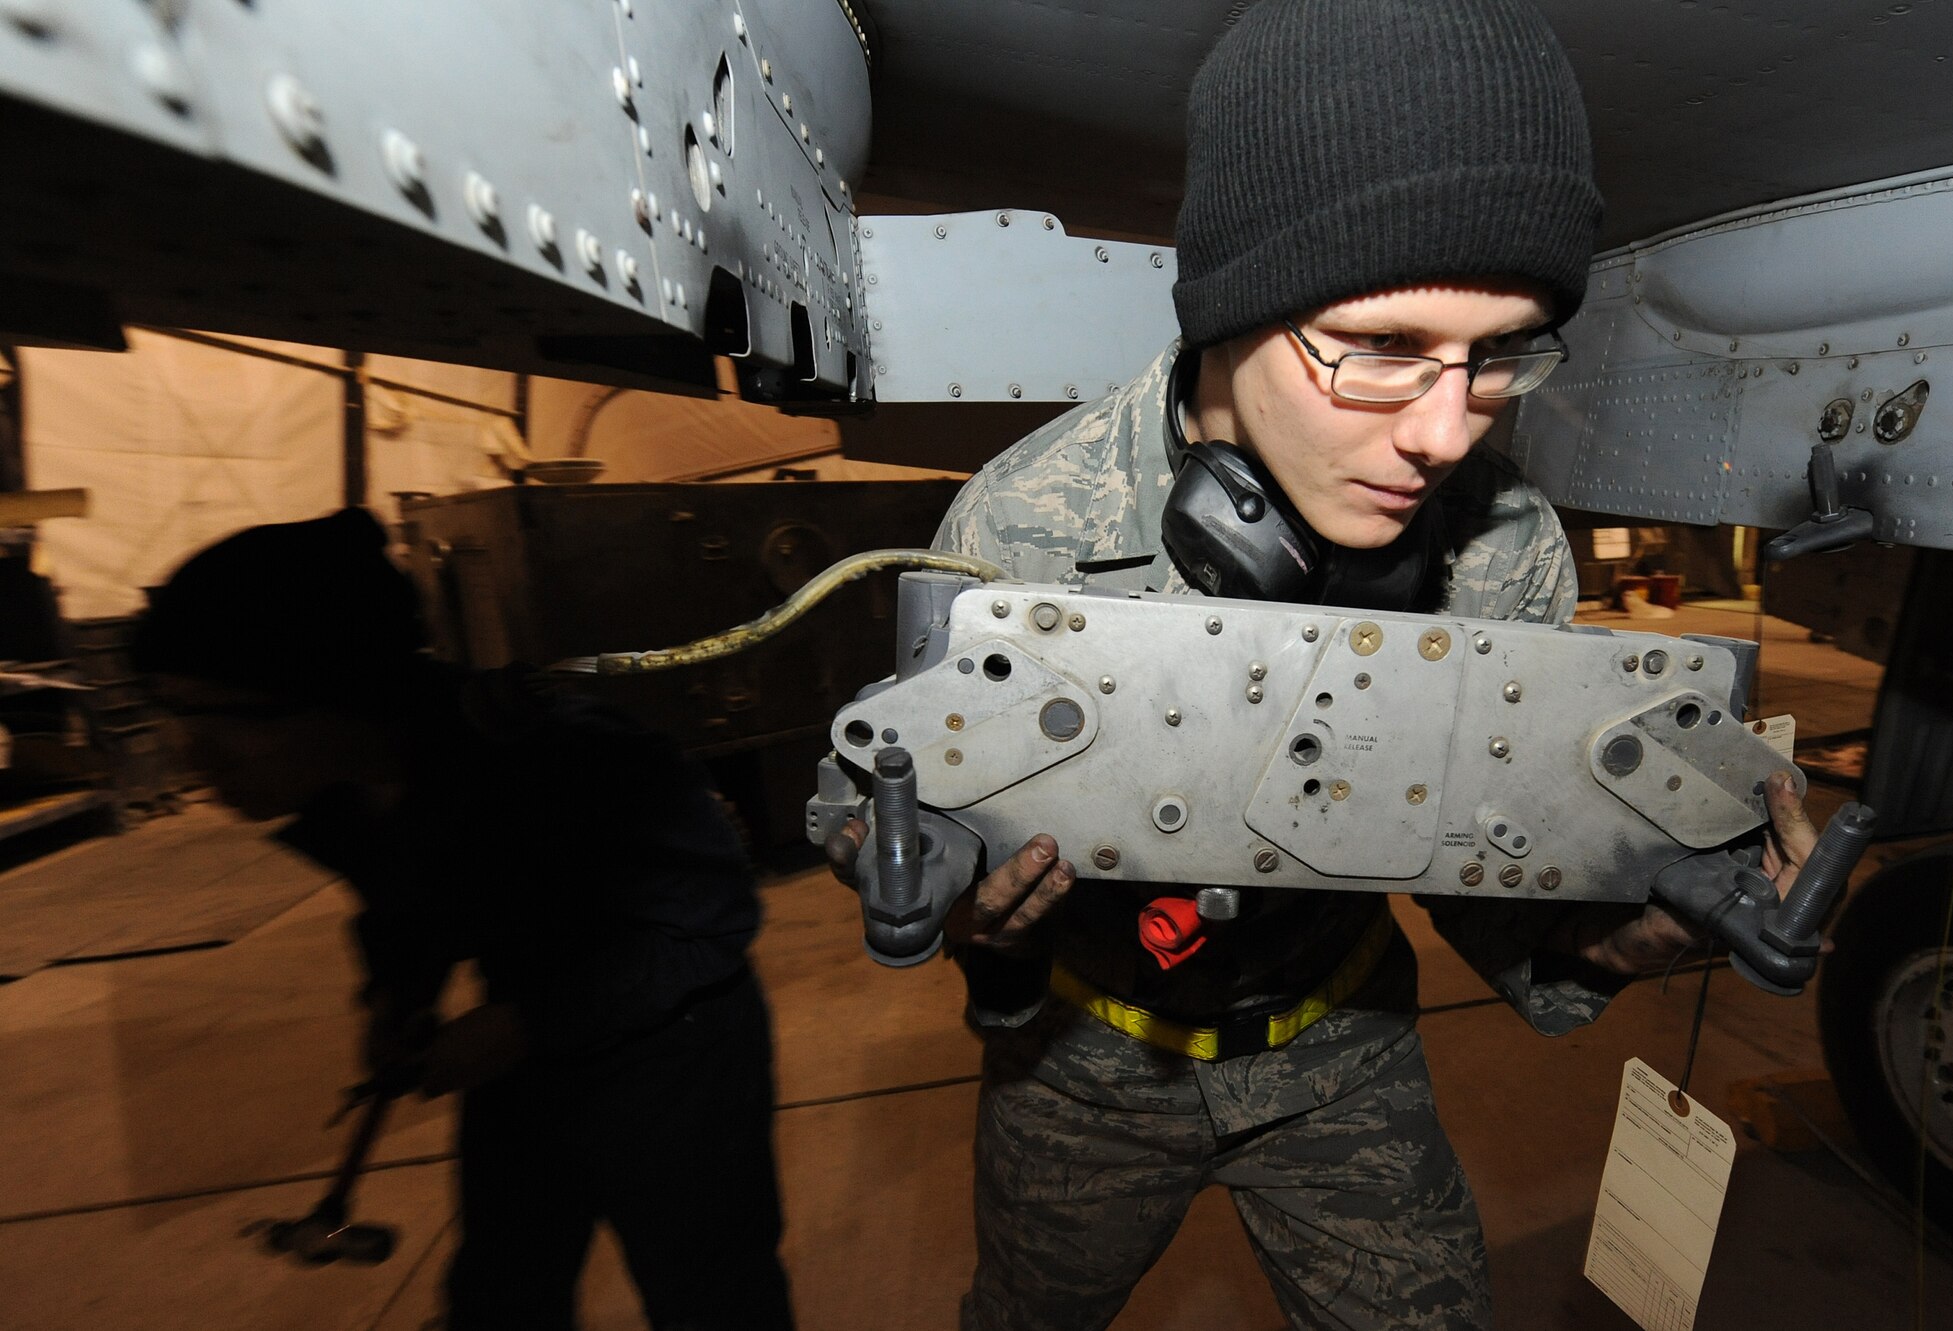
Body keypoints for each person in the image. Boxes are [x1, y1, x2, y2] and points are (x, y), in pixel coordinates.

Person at [830, 2, 1822, 1328]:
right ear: (1234, 307)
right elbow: (883, 792)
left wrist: (1660, 909)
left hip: (1340, 1050)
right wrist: (927, 871)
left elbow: (1495, 872)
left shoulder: (1501, 553)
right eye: (1385, 348)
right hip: (1084, 1071)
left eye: (1498, 357)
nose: (1443, 430)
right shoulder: (1024, 525)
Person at [134, 508, 793, 1331]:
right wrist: (394, 997)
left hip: (676, 1048)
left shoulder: (562, 753)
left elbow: (711, 924)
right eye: (173, 710)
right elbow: (405, 901)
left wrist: (525, 1024)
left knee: (709, 1290)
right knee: (501, 1285)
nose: (194, 753)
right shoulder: (346, 784)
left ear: (332, 691)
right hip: (524, 1029)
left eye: (215, 712)